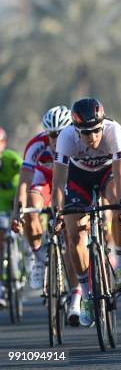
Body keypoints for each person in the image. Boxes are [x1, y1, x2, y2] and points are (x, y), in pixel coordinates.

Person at [52, 98, 121, 327]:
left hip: (107, 174)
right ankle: (87, 295)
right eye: (86, 132)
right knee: (75, 235)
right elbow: (58, 183)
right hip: (78, 179)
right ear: (76, 129)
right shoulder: (66, 137)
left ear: (102, 124)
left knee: (119, 204)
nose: (92, 137)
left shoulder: (114, 130)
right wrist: (57, 213)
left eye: (96, 130)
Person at [11, 106, 83, 322]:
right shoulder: (36, 145)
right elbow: (24, 182)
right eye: (52, 134)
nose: (55, 139)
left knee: (72, 239)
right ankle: (39, 259)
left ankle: (76, 296)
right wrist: (18, 213)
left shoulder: (76, 142)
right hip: (44, 183)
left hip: (69, 184)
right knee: (31, 204)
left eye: (60, 133)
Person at [0, 127, 22, 309]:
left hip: (14, 201)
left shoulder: (11, 158)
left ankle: (24, 260)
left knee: (18, 230)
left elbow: (27, 170)